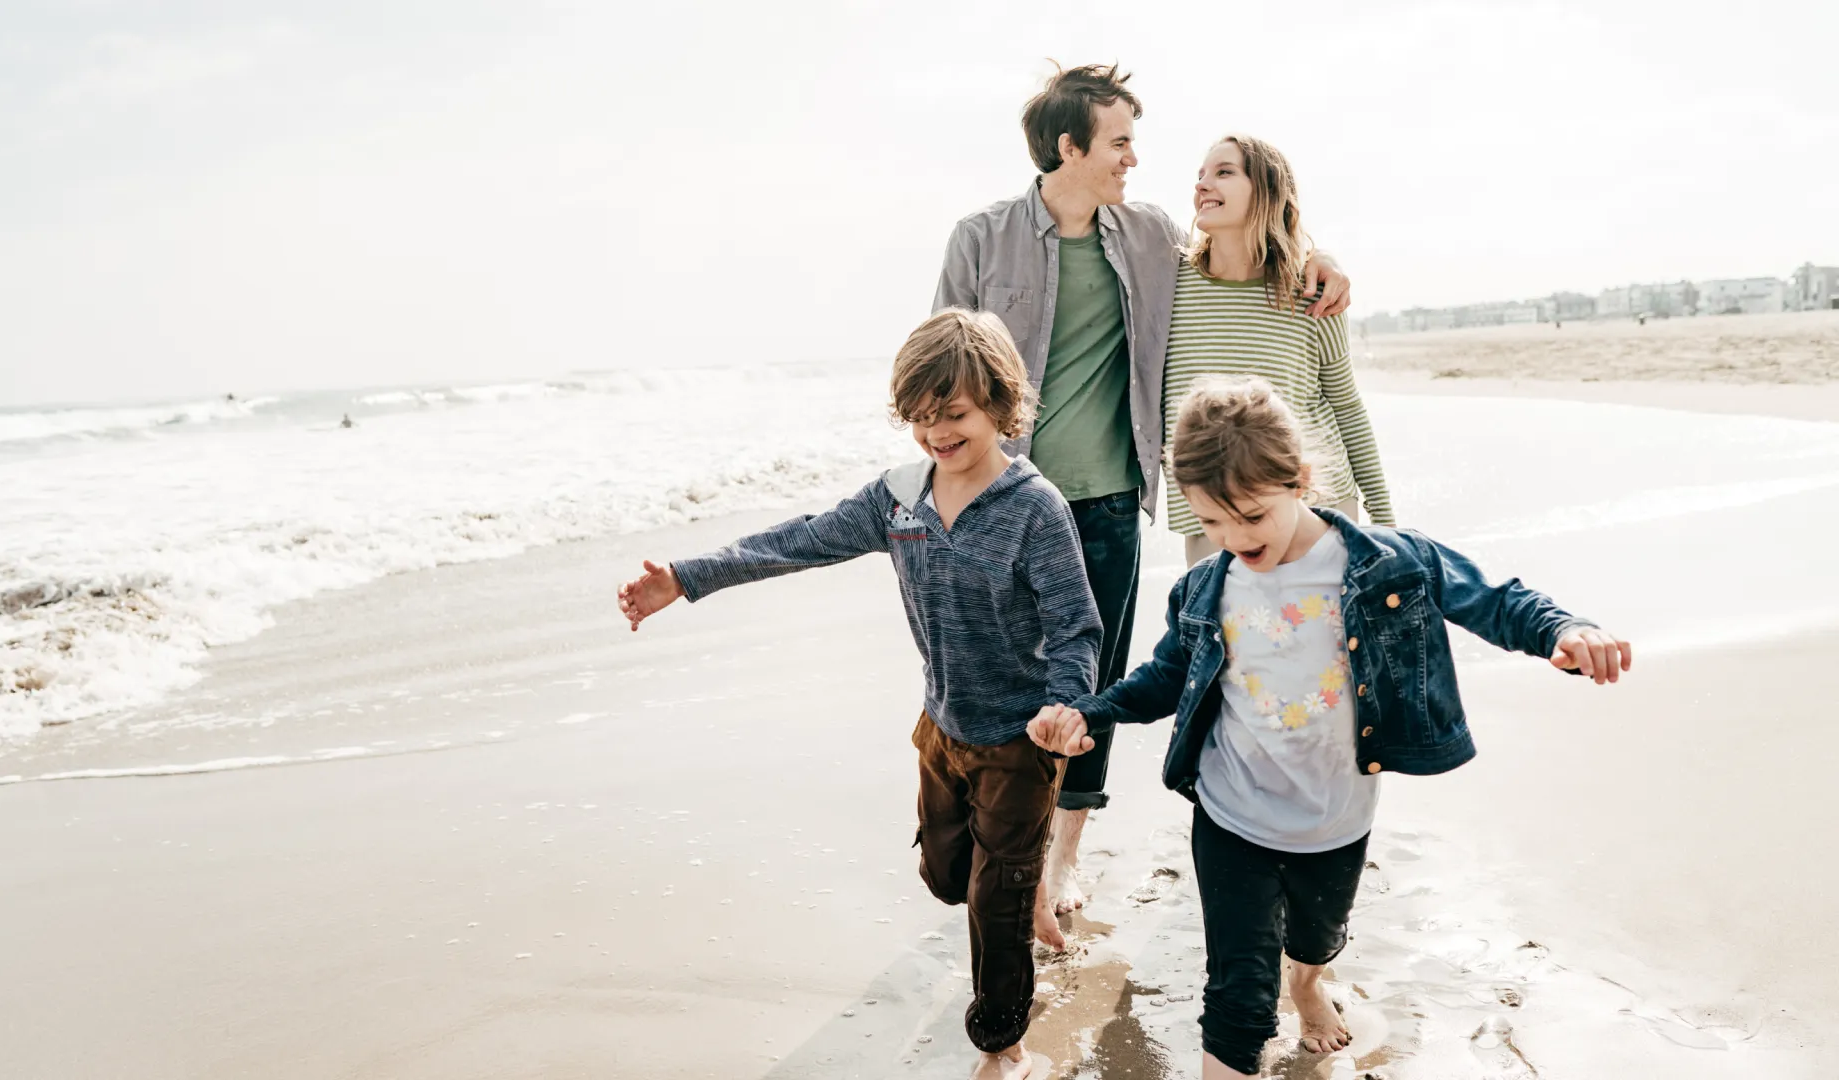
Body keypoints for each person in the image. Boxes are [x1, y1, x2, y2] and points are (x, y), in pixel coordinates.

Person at [1028, 379, 1630, 1078]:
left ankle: (1309, 986)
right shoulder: (1204, 590)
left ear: (1301, 482)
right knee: (1236, 998)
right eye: (1211, 524)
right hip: (1230, 814)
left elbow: (1494, 599)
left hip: (1335, 818)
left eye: (1251, 516)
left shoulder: (1387, 563)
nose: (1233, 540)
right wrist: (1089, 714)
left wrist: (1564, 629)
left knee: (1315, 943)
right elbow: (1162, 679)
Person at [615, 309, 1099, 1080]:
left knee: (992, 909)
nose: (938, 433)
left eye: (956, 415)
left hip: (1020, 740)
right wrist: (686, 576)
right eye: (921, 417)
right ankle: (1018, 876)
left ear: (1003, 410)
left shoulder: (1034, 510)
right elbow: (799, 540)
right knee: (948, 879)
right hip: (941, 729)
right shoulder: (899, 499)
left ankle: (1002, 1046)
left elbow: (1075, 627)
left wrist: (1065, 706)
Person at [933, 64, 1354, 938]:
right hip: (1003, 500)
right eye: (1120, 141)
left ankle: (1060, 854)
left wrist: (1322, 259)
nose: (1135, 158)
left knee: (1094, 674)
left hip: (1112, 498)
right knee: (993, 670)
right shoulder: (980, 239)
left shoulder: (1151, 236)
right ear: (1069, 146)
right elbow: (941, 366)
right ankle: (984, 827)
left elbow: (1243, 254)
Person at [1167, 134, 1395, 568]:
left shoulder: (1312, 292)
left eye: (1223, 172)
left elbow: (1346, 407)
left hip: (1316, 510)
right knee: (1225, 637)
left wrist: (1385, 523)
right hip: (1212, 519)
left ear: (1268, 191)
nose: (1201, 185)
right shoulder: (1167, 285)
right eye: (1200, 176)